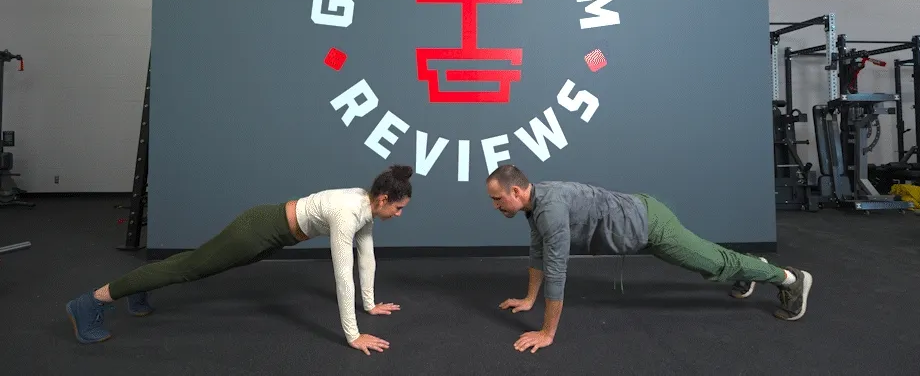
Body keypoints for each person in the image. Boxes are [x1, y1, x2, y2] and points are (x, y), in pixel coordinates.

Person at [66, 164, 415, 355]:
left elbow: (365, 257)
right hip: (258, 229)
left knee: (196, 263)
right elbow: (343, 274)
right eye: (398, 208)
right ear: (383, 198)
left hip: (273, 235)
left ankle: (140, 287)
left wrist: (368, 305)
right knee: (191, 268)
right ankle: (90, 302)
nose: (399, 215)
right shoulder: (347, 212)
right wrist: (353, 335)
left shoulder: (364, 206)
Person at [485, 165, 813, 353]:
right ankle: (752, 268)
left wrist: (547, 333)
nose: (495, 206)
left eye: (497, 199)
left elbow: (556, 271)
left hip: (650, 226)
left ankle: (791, 279)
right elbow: (538, 250)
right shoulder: (537, 202)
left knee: (713, 263)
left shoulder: (550, 210)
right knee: (713, 258)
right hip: (637, 212)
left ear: (516, 192)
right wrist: (530, 299)